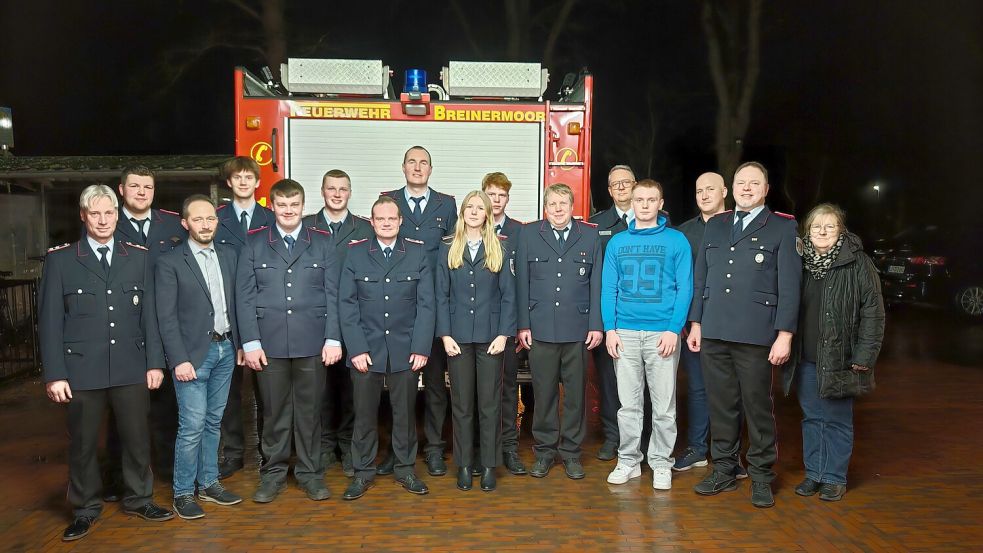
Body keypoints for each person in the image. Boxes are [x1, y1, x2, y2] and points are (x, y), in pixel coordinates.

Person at [40, 185, 174, 541]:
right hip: (81, 369)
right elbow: (50, 322)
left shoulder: (139, 257)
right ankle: (84, 508)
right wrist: (55, 374)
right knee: (83, 444)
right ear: (83, 216)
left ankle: (140, 499)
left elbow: (150, 316)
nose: (103, 220)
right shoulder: (61, 260)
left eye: (109, 213)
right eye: (95, 213)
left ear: (117, 215)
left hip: (131, 365)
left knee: (137, 439)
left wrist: (154, 363)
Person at [687, 161, 802, 508]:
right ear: (732, 188)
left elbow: (790, 286)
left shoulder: (782, 227)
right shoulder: (717, 224)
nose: (747, 188)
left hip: (756, 333)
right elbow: (701, 278)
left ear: (766, 189)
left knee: (757, 406)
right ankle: (724, 468)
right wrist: (696, 323)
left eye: (754, 183)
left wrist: (785, 334)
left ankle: (762, 475)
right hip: (715, 330)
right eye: (741, 183)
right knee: (721, 405)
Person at [235, 178, 342, 503]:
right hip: (269, 344)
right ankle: (273, 475)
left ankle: (310, 474)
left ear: (303, 206)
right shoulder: (254, 243)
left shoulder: (322, 242)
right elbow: (244, 296)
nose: (288, 210)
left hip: (312, 342)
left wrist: (333, 338)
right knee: (274, 413)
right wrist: (250, 342)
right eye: (282, 205)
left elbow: (334, 294)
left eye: (294, 205)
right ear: (272, 207)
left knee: (310, 413)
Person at [784, 203, 885, 502]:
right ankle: (814, 474)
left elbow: (874, 312)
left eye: (830, 226)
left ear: (841, 230)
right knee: (812, 417)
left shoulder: (858, 262)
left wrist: (865, 356)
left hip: (842, 356)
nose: (823, 231)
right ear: (807, 231)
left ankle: (834, 477)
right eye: (816, 226)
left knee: (837, 419)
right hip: (805, 357)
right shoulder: (800, 262)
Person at [339, 196, 436, 500]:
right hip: (365, 350)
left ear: (400, 221)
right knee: (364, 415)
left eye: (391, 218)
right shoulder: (355, 253)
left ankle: (406, 470)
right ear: (371, 222)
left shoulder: (417, 253)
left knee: (404, 414)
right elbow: (347, 304)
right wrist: (356, 349)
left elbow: (427, 305)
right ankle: (362, 472)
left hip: (405, 349)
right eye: (380, 219)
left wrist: (421, 347)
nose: (386, 223)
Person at [155, 195, 244, 519]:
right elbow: (166, 316)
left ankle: (208, 483)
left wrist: (240, 344)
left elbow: (237, 304)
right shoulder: (170, 262)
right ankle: (182, 492)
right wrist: (178, 359)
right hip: (192, 355)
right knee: (192, 424)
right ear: (185, 223)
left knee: (213, 421)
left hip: (225, 348)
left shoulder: (229, 255)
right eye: (198, 219)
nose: (206, 225)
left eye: (210, 219)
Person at [602, 179, 692, 490]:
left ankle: (661, 462)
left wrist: (673, 329)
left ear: (660, 204)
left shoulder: (677, 241)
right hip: (624, 333)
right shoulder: (617, 243)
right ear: (632, 203)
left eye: (650, 199)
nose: (644, 205)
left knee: (664, 406)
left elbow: (684, 288)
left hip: (661, 335)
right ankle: (628, 460)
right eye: (639, 199)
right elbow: (608, 289)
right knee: (628, 405)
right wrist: (610, 329)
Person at [103, 165, 186, 496]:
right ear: (121, 190)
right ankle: (116, 477)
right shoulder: (107, 221)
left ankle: (166, 469)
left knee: (167, 406)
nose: (141, 192)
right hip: (124, 326)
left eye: (147, 187)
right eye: (135, 186)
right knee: (120, 409)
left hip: (166, 323)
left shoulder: (172, 223)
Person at [516, 183, 603, 480]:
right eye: (552, 204)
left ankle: (571, 453)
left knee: (576, 396)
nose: (557, 209)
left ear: (572, 206)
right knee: (544, 395)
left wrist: (596, 325)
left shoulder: (589, 235)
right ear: (545, 208)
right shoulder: (529, 234)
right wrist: (523, 324)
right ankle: (544, 452)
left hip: (578, 330)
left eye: (563, 203)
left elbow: (596, 283)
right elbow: (521, 282)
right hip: (540, 329)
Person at [379, 146, 458, 477]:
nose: (417, 167)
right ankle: (397, 450)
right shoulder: (388, 200)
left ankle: (435, 448)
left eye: (423, 162)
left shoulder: (447, 204)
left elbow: (454, 252)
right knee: (398, 388)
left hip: (433, 306)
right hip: (396, 310)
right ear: (403, 167)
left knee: (436, 384)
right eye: (411, 162)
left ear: (430, 169)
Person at [436, 191, 516, 492]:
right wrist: (445, 335)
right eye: (469, 207)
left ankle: (489, 465)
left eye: (479, 207)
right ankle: (465, 465)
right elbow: (440, 295)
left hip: (490, 338)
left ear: (487, 214)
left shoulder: (500, 247)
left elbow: (509, 296)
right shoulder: (447, 247)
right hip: (457, 338)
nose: (473, 211)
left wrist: (503, 335)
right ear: (462, 212)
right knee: (461, 404)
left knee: (489, 405)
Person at [302, 169, 374, 478]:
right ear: (322, 191)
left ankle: (347, 446)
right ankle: (324, 446)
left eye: (342, 189)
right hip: (314, 320)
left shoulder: (365, 228)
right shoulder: (306, 225)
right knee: (318, 390)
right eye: (331, 188)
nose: (336, 194)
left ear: (349, 192)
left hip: (354, 319)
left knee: (351, 390)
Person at [215, 156, 275, 480]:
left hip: (264, 314)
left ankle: (269, 453)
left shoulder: (271, 218)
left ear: (257, 182)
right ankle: (234, 453)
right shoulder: (216, 218)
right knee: (229, 392)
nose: (242, 182)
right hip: (225, 312)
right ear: (229, 182)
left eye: (248, 177)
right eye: (237, 177)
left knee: (268, 392)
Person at [672, 172, 731, 473]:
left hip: (731, 324)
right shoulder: (683, 233)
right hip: (694, 325)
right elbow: (679, 282)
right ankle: (697, 448)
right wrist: (685, 321)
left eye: (710, 189)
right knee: (697, 388)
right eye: (699, 191)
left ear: (724, 191)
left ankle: (729, 455)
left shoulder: (739, 227)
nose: (705, 195)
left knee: (730, 391)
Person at [588, 164, 637, 461]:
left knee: (641, 383)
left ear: (635, 185)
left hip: (642, 317)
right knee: (608, 381)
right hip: (610, 318)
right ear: (608, 190)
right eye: (614, 184)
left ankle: (640, 437)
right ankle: (612, 437)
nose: (620, 187)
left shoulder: (657, 220)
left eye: (626, 182)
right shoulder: (597, 225)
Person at [481, 171, 528, 475]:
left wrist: (519, 327)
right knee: (479, 392)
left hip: (506, 326)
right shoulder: (470, 226)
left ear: (508, 199)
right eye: (491, 195)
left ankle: (509, 447)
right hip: (476, 326)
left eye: (502, 196)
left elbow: (523, 282)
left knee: (509, 388)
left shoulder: (520, 232)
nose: (496, 201)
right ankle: (481, 448)